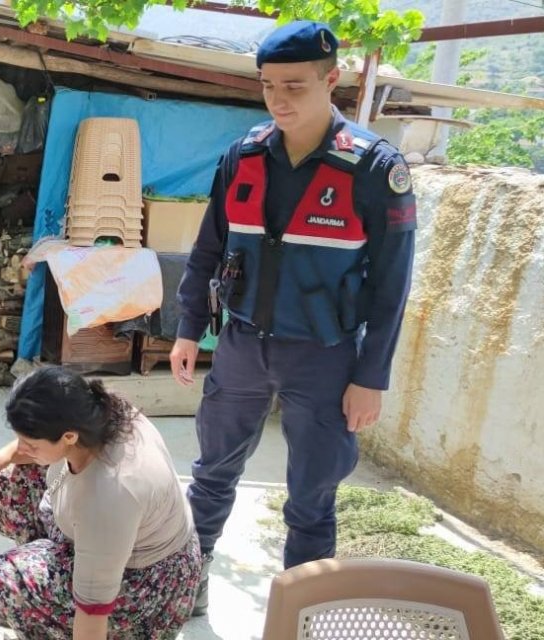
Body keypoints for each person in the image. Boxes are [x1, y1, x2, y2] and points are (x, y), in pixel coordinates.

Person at [169, 21, 417, 616]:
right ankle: (188, 585)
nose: (278, 100)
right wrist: (186, 328)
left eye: (295, 86)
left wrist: (371, 376)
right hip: (241, 345)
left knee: (312, 496)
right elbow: (207, 250)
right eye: (267, 86)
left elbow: (392, 286)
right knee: (210, 476)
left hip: (326, 358)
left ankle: (299, 613)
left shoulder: (375, 169)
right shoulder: (244, 156)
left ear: (333, 80)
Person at [0, 366, 202, 640]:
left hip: (144, 582)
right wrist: (6, 455)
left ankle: (39, 605)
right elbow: (36, 450)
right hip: (104, 536)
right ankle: (42, 591)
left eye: (29, 443)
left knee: (4, 576)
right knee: (13, 476)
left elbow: (93, 610)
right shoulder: (98, 413)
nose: (20, 448)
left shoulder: (111, 495)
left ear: (69, 436)